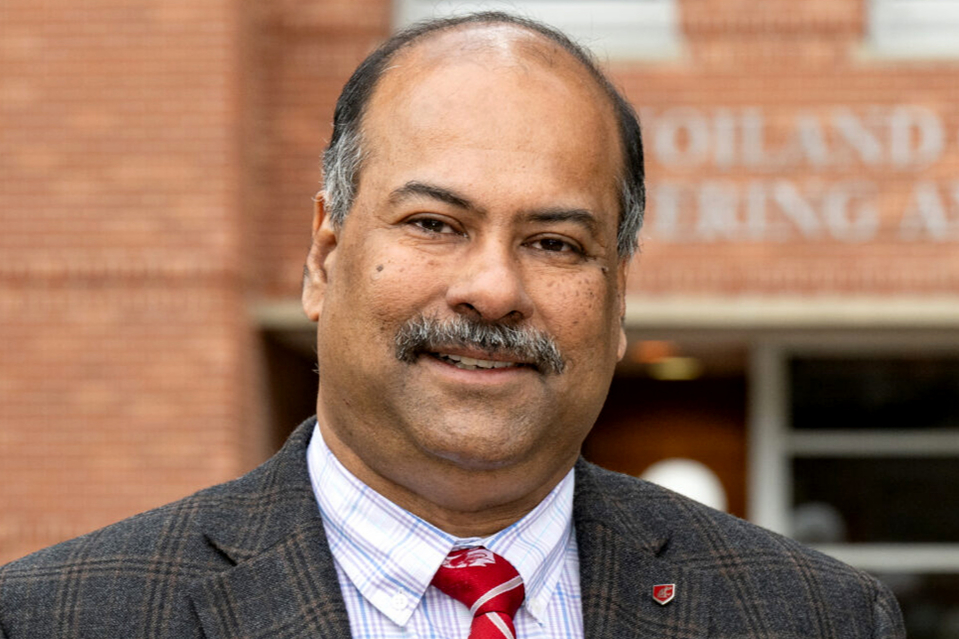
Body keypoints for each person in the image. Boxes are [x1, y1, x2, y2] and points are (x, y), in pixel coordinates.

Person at [0, 12, 904, 639]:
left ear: (618, 299)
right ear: (323, 258)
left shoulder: (814, 618)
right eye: (435, 224)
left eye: (554, 242)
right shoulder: (58, 618)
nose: (492, 289)